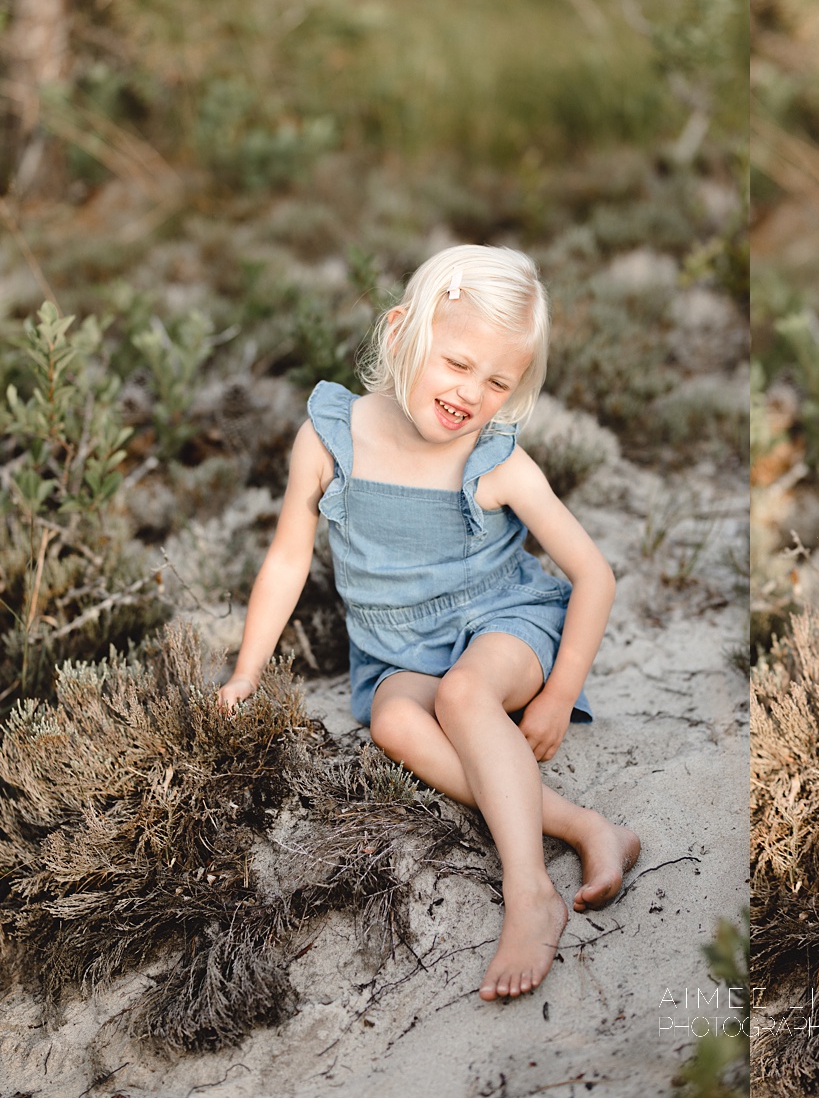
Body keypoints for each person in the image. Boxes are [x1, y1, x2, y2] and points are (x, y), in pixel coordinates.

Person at [218, 244, 640, 1000]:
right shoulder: (329, 440)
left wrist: (557, 690)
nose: (470, 392)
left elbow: (594, 574)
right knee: (394, 720)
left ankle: (529, 888)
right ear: (399, 331)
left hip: (504, 621)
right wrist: (248, 669)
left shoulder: (493, 461)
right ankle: (584, 826)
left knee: (463, 695)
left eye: (497, 380)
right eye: (456, 363)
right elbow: (287, 558)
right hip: (399, 646)